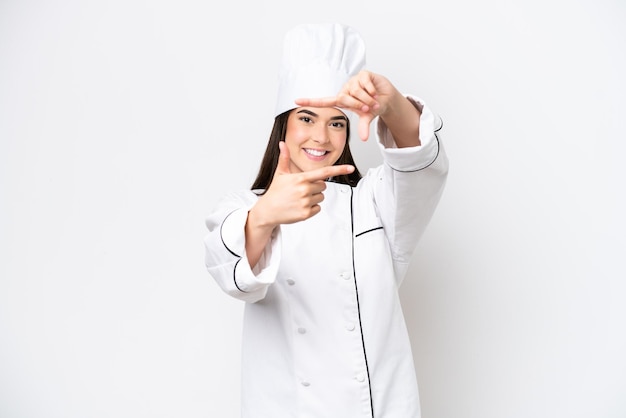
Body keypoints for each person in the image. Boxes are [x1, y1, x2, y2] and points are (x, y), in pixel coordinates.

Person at [204, 23, 448, 418]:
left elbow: (420, 165)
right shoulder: (241, 209)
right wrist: (266, 214)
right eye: (306, 118)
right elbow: (232, 271)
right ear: (283, 124)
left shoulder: (371, 203)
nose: (321, 136)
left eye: (337, 122)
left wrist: (393, 104)